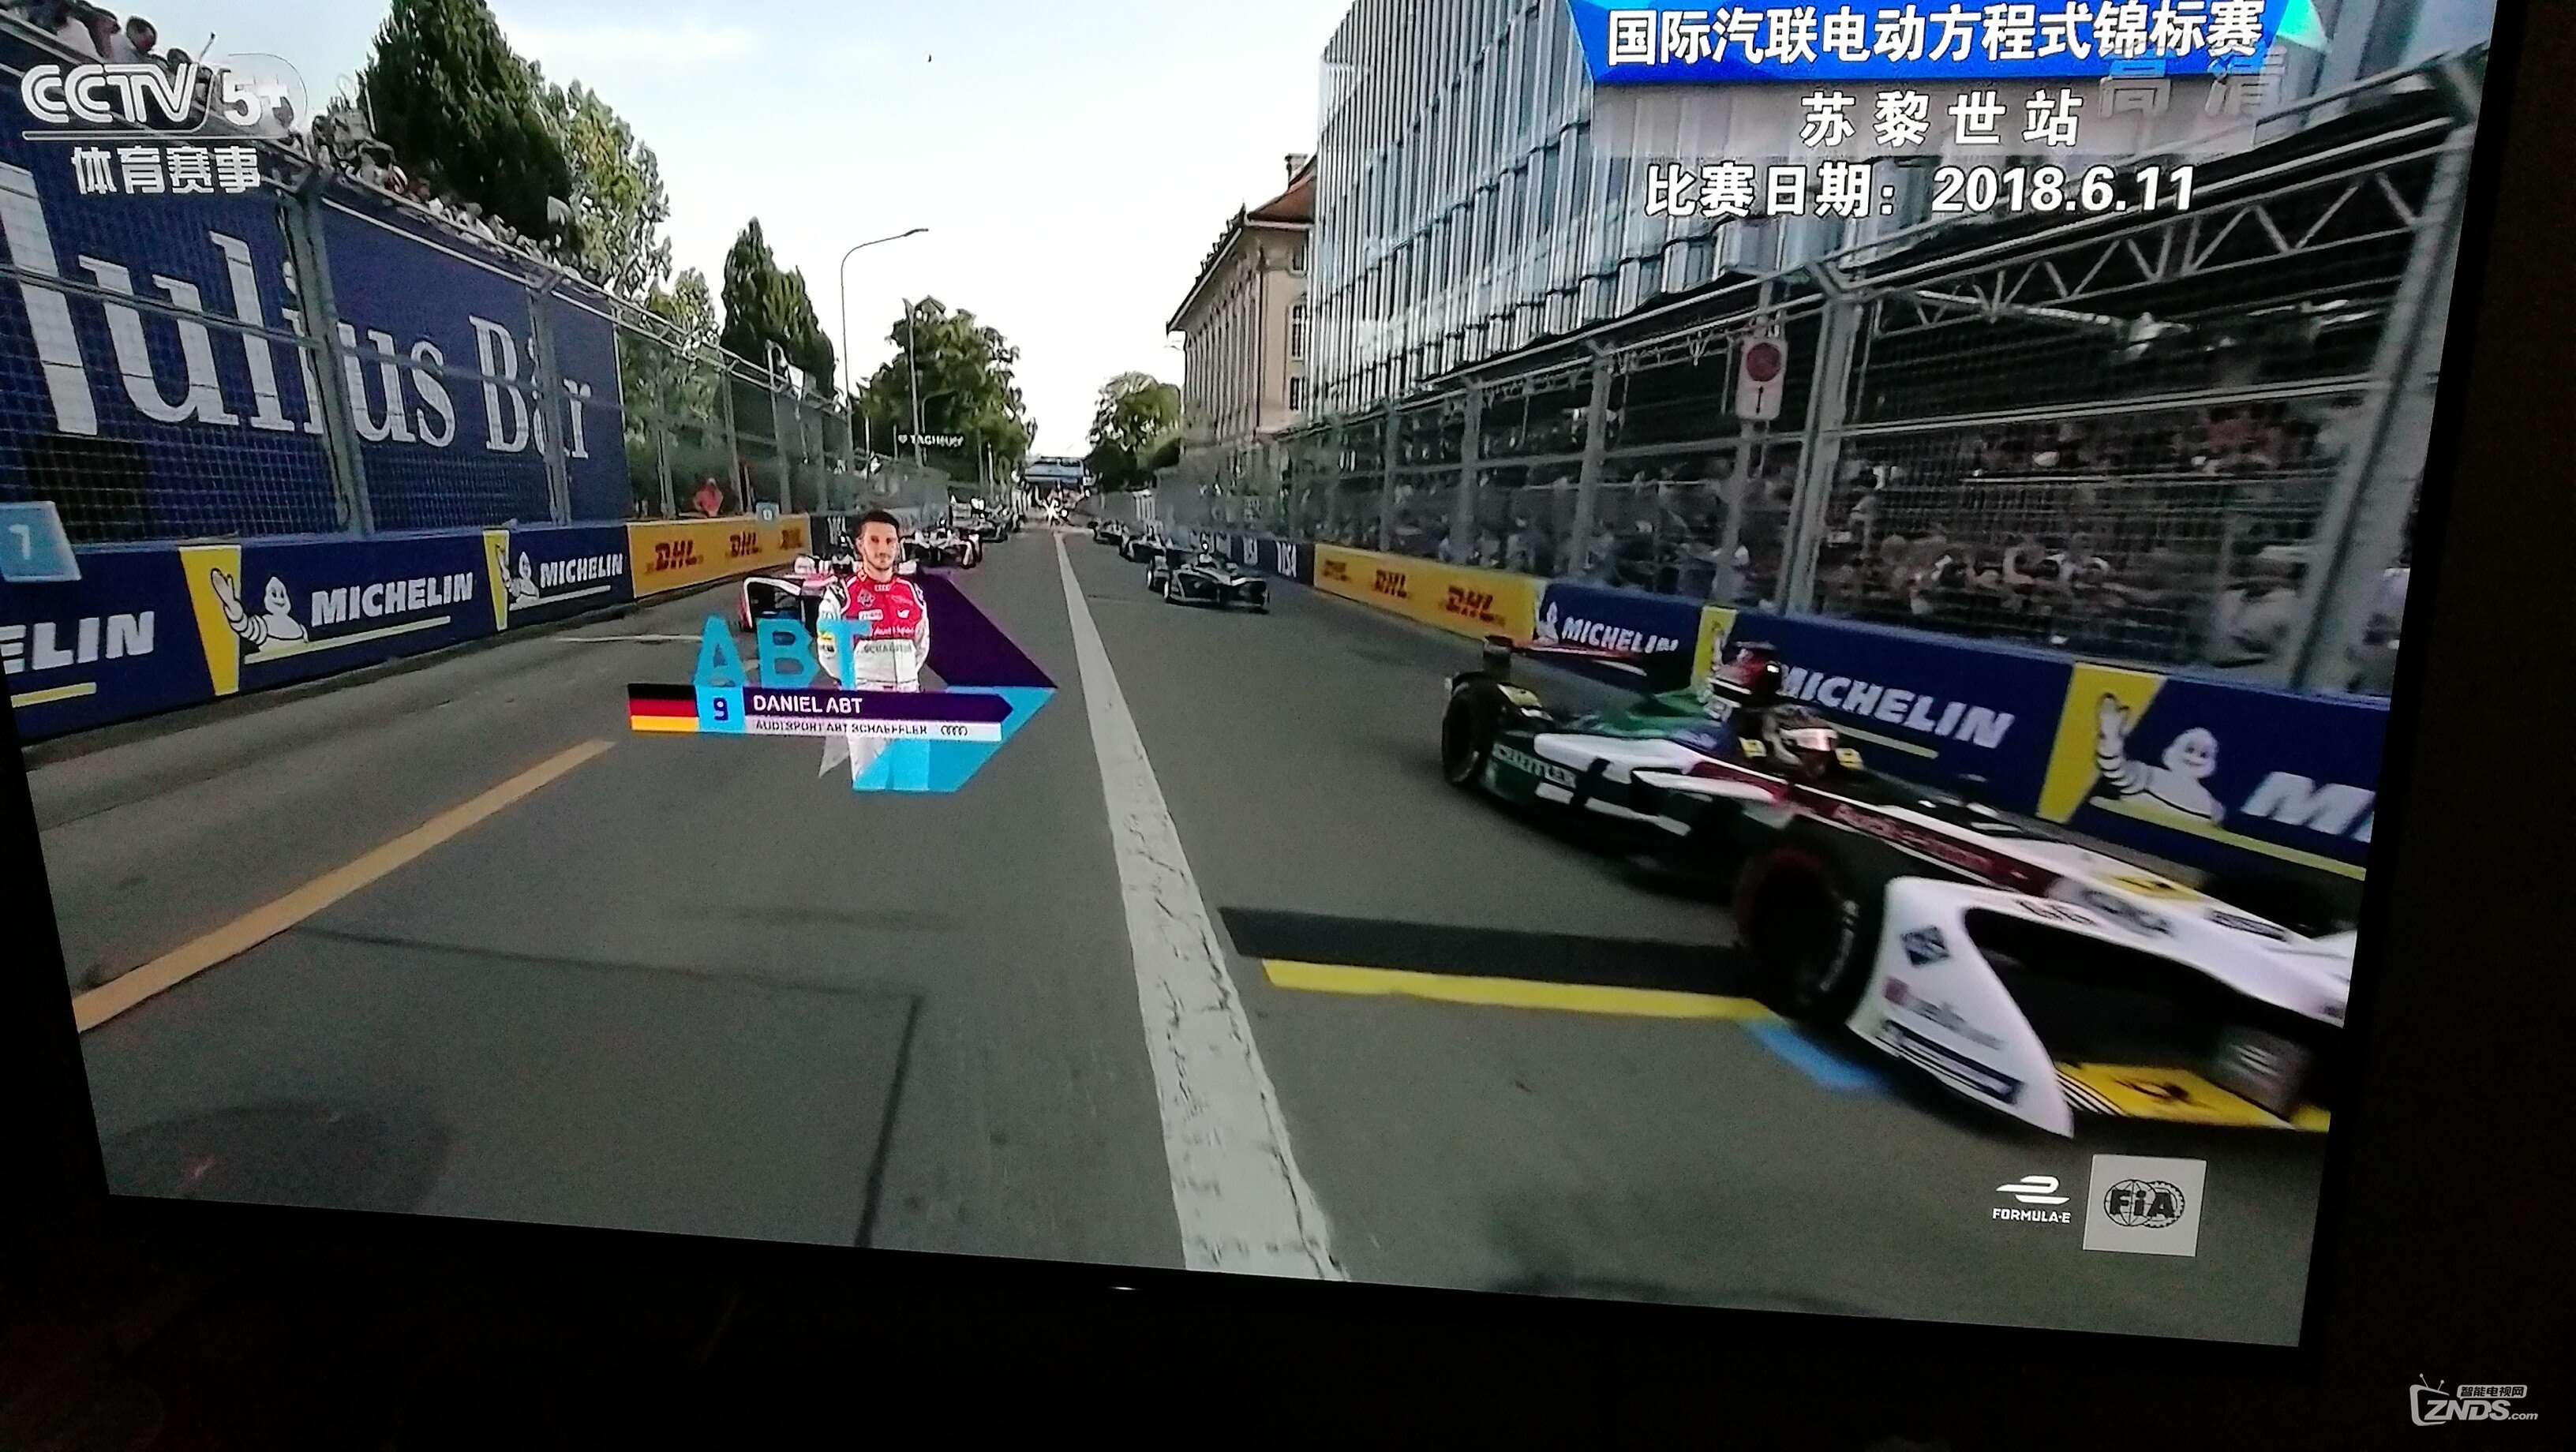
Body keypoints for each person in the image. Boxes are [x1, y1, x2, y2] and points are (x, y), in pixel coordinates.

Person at [821, 510, 932, 692]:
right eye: (874, 540)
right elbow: (829, 656)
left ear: (897, 546)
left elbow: (921, 648)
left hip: (909, 696)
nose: (882, 550)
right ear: (860, 545)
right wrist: (862, 686)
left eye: (890, 541)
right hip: (864, 700)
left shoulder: (912, 593)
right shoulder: (840, 595)